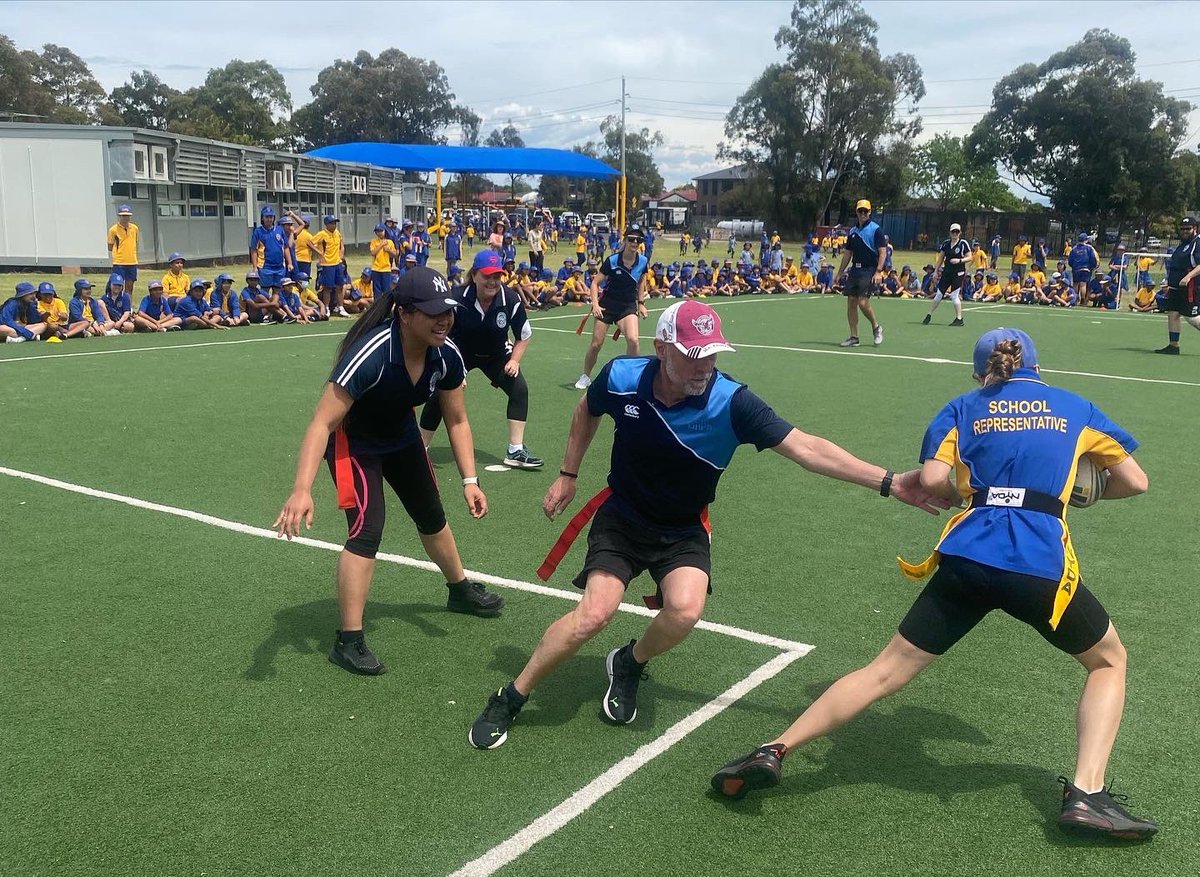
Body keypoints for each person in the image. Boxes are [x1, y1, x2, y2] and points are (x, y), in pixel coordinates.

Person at [712, 327, 1158, 843]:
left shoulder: (962, 407)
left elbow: (930, 479)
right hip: (1036, 560)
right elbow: (1136, 481)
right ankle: (1088, 794)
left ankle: (774, 749)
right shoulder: (1074, 406)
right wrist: (1081, 491)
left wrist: (970, 488)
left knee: (884, 671)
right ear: (1037, 367)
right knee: (1108, 660)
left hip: (968, 553)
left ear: (979, 372)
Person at [466, 299, 947, 750]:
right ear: (661, 349)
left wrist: (889, 482)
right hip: (623, 518)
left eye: (712, 354)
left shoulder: (732, 402)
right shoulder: (621, 376)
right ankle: (511, 696)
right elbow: (585, 412)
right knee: (594, 614)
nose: (704, 366)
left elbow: (808, 449)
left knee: (685, 611)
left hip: (682, 529)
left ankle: (629, 663)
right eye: (693, 355)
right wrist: (568, 474)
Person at [273, 267, 505, 676]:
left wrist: (470, 480)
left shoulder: (446, 354)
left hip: (401, 438)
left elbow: (457, 421)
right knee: (367, 530)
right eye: (433, 312)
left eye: (447, 311)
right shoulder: (373, 352)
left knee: (431, 515)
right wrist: (301, 489)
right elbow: (321, 423)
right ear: (404, 313)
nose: (444, 320)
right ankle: (348, 640)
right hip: (356, 445)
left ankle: (459, 590)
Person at [419, 249, 544, 470]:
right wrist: (455, 371)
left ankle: (515, 450)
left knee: (519, 389)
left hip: (495, 354)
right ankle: (420, 449)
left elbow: (523, 335)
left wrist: (514, 360)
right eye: (487, 276)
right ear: (474, 275)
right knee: (441, 393)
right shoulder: (456, 297)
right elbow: (441, 333)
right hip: (459, 351)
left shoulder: (511, 299)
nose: (492, 282)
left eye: (497, 276)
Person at [573, 224, 650, 391]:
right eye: (631, 239)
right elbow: (595, 283)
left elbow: (642, 281)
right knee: (596, 344)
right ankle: (585, 376)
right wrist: (595, 304)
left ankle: (633, 378)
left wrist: (641, 303)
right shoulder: (612, 260)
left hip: (628, 306)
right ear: (625, 240)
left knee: (633, 340)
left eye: (638, 240)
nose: (635, 242)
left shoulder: (643, 261)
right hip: (608, 305)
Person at [834, 200, 885, 347]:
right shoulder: (852, 231)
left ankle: (876, 327)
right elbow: (847, 254)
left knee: (863, 302)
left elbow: (883, 252)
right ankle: (854, 337)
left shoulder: (876, 230)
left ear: (870, 212)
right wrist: (839, 273)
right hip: (854, 270)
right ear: (856, 212)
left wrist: (878, 272)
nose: (862, 214)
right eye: (860, 211)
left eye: (865, 211)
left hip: (869, 270)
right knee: (851, 302)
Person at [1153, 216, 1200, 355]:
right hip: (1176, 288)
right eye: (1183, 228)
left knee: (1192, 317)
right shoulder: (1183, 244)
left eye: (1188, 228)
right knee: (1173, 313)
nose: (1185, 231)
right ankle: (1173, 346)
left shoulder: (1197, 243)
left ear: (1195, 228)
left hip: (1190, 288)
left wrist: (1188, 277)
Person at [922, 223, 970, 326]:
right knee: (939, 294)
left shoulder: (963, 243)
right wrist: (935, 271)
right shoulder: (946, 244)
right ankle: (928, 315)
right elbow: (941, 258)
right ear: (950, 232)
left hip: (958, 273)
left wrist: (959, 260)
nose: (955, 233)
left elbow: (970, 257)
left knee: (954, 295)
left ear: (960, 233)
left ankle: (959, 318)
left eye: (957, 231)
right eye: (953, 231)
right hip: (947, 272)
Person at [250, 206, 293, 292]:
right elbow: (254, 250)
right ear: (262, 218)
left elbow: (286, 247)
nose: (269, 219)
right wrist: (255, 267)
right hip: (265, 267)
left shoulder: (280, 230)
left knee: (278, 291)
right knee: (264, 291)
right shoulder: (258, 232)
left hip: (280, 267)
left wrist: (290, 263)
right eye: (267, 217)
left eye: (271, 217)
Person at [314, 215, 346, 313]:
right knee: (327, 287)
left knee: (340, 286)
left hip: (337, 263)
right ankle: (327, 308)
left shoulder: (337, 233)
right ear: (327, 224)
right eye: (332, 223)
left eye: (335, 223)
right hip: (327, 264)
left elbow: (341, 244)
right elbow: (310, 242)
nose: (334, 225)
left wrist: (341, 255)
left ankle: (340, 307)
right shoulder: (322, 234)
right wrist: (319, 252)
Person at [107, 203, 140, 300]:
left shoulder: (134, 228)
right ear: (119, 216)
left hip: (132, 261)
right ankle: (117, 306)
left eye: (128, 216)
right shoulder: (113, 230)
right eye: (123, 216)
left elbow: (135, 242)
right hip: (119, 262)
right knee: (117, 286)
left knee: (130, 287)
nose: (126, 218)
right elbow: (110, 245)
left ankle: (128, 308)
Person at [1068, 232, 1100, 305]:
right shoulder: (1089, 248)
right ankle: (1082, 299)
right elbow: (1092, 258)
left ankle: (1075, 299)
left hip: (1076, 269)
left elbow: (1070, 260)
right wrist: (1093, 265)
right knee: (1083, 284)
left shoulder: (1074, 248)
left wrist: (1073, 265)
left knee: (1075, 284)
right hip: (1086, 269)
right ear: (1085, 240)